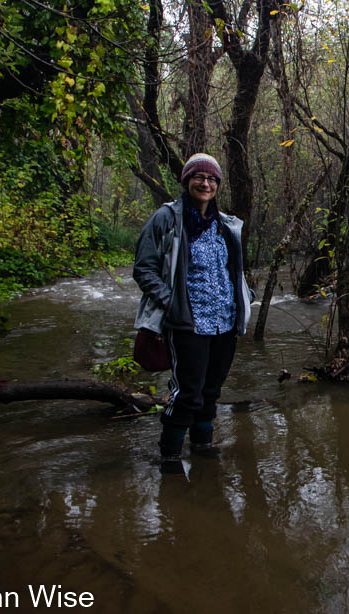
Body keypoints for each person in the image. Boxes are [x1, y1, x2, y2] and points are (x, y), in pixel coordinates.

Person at [133, 153, 252, 471]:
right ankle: (170, 456)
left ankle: (203, 449)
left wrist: (245, 296)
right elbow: (144, 268)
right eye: (199, 177)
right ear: (187, 181)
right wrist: (168, 301)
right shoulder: (167, 219)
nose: (206, 183)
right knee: (188, 393)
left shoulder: (226, 225)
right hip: (188, 322)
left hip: (224, 322)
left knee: (211, 391)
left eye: (212, 178)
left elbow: (234, 269)